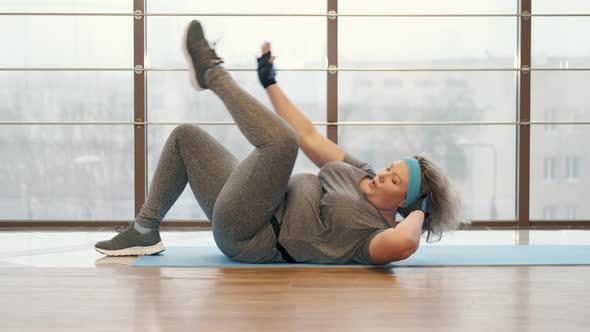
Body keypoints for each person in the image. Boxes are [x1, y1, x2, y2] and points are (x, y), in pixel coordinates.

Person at [95, 20, 468, 265]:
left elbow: (405, 245)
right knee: (185, 138)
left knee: (280, 145)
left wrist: (421, 211)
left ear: (403, 201)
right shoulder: (360, 173)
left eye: (395, 181)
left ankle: (213, 73)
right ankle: (144, 229)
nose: (383, 173)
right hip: (251, 203)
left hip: (252, 234)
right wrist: (270, 83)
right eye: (391, 167)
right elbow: (308, 137)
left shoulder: (374, 236)